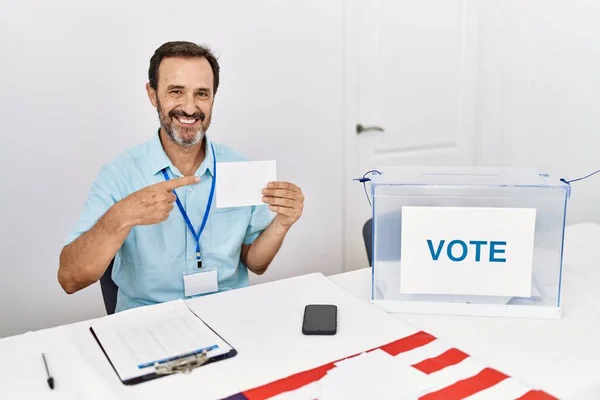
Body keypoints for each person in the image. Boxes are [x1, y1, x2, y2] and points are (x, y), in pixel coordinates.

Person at [57, 41, 304, 312]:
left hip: (230, 315)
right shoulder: (118, 175)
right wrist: (122, 215)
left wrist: (282, 222)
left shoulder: (238, 166)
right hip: (149, 321)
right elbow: (70, 279)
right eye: (176, 91)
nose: (189, 107)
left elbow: (256, 264)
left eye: (201, 94)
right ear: (153, 95)